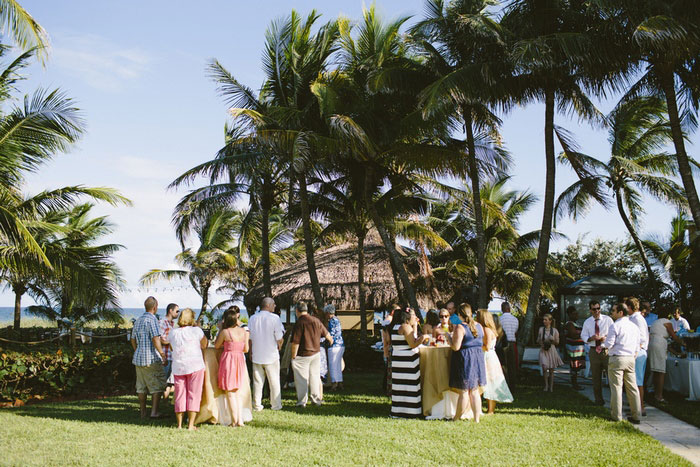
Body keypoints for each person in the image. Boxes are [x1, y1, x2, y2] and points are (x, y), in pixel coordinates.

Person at [168, 308, 207, 430]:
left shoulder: (173, 332)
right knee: (194, 394)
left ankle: (179, 424)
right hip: (195, 365)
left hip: (179, 366)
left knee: (179, 394)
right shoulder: (196, 331)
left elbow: (172, 348)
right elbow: (204, 345)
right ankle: (190, 424)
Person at [604, 302, 642, 424]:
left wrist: (603, 346)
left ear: (620, 312)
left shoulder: (615, 326)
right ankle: (637, 416)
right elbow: (638, 345)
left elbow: (609, 343)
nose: (612, 313)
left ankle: (616, 416)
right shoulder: (634, 326)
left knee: (616, 388)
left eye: (614, 311)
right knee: (632, 388)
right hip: (630, 358)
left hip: (617, 358)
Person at [131, 296, 167, 419]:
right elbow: (155, 338)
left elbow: (132, 339)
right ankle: (154, 412)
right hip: (150, 358)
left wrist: (137, 350)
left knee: (141, 387)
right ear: (155, 307)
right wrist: (162, 354)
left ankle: (143, 413)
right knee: (156, 385)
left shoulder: (138, 320)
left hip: (138, 358)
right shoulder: (152, 320)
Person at [290, 303, 333, 407]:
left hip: (302, 355)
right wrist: (329, 343)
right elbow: (328, 336)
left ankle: (302, 402)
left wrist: (293, 356)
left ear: (297, 311)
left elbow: (296, 342)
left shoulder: (299, 322)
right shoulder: (316, 320)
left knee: (301, 379)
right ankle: (316, 399)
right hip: (316, 354)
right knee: (314, 377)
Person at [449, 303, 486, 422]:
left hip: (465, 359)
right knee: (474, 391)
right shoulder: (479, 326)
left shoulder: (461, 327)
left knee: (464, 391)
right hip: (477, 358)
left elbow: (456, 347)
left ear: (460, 314)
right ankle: (476, 419)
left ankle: (456, 418)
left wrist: (448, 338)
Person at [248, 297, 285, 411]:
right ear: (268, 305)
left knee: (257, 382)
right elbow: (279, 337)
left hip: (257, 353)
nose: (275, 306)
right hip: (271, 354)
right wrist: (280, 345)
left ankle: (257, 404)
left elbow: (249, 338)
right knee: (274, 381)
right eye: (273, 305)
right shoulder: (275, 318)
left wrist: (250, 351)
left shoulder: (253, 318)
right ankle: (276, 404)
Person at [215, 306, 250, 427]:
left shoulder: (225, 332)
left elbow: (216, 345)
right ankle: (239, 419)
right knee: (237, 391)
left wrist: (220, 329)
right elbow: (246, 349)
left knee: (229, 391)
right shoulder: (244, 332)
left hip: (229, 360)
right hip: (239, 360)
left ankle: (234, 420)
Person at [390, 306, 427, 418]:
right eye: (414, 315)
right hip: (407, 360)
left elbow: (411, 337)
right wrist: (424, 337)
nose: (415, 318)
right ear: (408, 316)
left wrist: (415, 326)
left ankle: (399, 410)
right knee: (410, 385)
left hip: (398, 359)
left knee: (400, 386)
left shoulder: (396, 326)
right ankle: (411, 411)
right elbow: (413, 344)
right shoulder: (405, 327)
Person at [476, 309, 513, 414]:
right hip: (490, 356)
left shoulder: (486, 329)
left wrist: (476, 346)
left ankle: (490, 410)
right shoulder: (490, 329)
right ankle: (485, 409)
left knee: (489, 382)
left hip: (487, 357)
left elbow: (487, 347)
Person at [580, 300, 614, 406]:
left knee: (612, 377)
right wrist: (591, 338)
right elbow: (583, 336)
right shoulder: (587, 322)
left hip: (606, 350)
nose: (597, 311)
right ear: (590, 310)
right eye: (594, 309)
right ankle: (598, 401)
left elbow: (614, 333)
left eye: (598, 308)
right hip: (594, 351)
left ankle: (615, 402)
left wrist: (605, 338)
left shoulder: (608, 320)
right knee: (596, 378)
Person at [648, 310, 684, 403]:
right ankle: (659, 396)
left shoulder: (655, 323)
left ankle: (655, 393)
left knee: (656, 370)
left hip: (652, 344)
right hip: (658, 344)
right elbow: (674, 337)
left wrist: (677, 353)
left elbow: (667, 344)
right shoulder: (667, 322)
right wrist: (684, 344)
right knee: (661, 371)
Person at [625, 297, 649, 416]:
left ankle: (641, 407)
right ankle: (635, 405)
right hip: (636, 352)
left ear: (629, 307)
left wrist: (635, 351)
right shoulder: (634, 318)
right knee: (634, 380)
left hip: (638, 353)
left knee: (637, 381)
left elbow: (642, 338)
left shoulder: (637, 319)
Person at [537, 313, 563, 392]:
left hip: (551, 350)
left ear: (550, 321)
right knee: (544, 368)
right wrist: (541, 343)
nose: (544, 321)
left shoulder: (554, 331)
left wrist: (552, 341)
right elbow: (538, 340)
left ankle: (551, 387)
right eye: (543, 320)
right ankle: (546, 385)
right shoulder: (541, 329)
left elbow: (557, 342)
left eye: (546, 320)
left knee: (551, 370)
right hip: (543, 350)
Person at [159, 303, 179, 402]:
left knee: (169, 382)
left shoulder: (172, 324)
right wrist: (173, 342)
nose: (178, 313)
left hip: (172, 356)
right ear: (170, 311)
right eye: (177, 311)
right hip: (165, 356)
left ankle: (165, 401)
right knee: (162, 380)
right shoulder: (162, 322)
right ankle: (157, 404)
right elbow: (160, 339)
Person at [325, 304, 345, 391]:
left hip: (334, 346)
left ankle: (334, 384)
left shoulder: (332, 321)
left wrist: (327, 340)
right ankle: (340, 382)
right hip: (341, 345)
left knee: (333, 365)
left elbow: (331, 334)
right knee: (338, 365)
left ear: (329, 313)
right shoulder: (337, 319)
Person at [564, 306, 585, 390]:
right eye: (574, 314)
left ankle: (575, 383)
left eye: (577, 313)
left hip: (578, 349)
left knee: (576, 367)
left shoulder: (576, 323)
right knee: (574, 367)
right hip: (573, 349)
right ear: (569, 315)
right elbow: (573, 335)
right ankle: (574, 384)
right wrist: (584, 334)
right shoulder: (569, 324)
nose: (577, 315)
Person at [499, 302, 519, 385]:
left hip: (503, 343)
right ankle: (512, 385)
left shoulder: (500, 319)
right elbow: (516, 331)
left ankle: (505, 384)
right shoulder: (515, 319)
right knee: (512, 366)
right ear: (509, 309)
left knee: (503, 365)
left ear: (502, 309)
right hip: (512, 343)